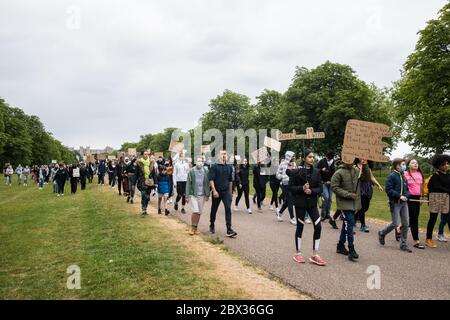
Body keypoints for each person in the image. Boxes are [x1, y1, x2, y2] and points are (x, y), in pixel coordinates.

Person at [289, 149, 326, 266]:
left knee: (318, 226)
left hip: (312, 204)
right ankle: (298, 253)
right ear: (304, 158)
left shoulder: (316, 172)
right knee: (300, 227)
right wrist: (302, 188)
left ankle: (315, 254)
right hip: (300, 204)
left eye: (313, 157)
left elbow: (320, 188)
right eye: (310, 157)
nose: (312, 159)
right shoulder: (296, 172)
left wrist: (311, 191)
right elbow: (290, 188)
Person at [331, 157, 370, 261]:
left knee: (346, 224)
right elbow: (334, 187)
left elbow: (366, 178)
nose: (350, 160)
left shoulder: (357, 170)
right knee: (350, 223)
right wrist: (348, 195)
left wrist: (365, 165)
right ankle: (351, 249)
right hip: (344, 204)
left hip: (355, 204)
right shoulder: (339, 172)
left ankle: (340, 246)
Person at [378, 159, 412, 253]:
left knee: (406, 223)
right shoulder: (391, 176)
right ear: (397, 166)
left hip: (404, 203)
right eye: (403, 164)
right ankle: (382, 233)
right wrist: (399, 196)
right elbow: (388, 190)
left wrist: (407, 196)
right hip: (395, 203)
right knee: (396, 223)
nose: (405, 166)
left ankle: (403, 244)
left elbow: (407, 190)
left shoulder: (404, 177)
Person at [209, 150, 237, 238]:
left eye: (225, 153)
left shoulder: (229, 167)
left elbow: (230, 181)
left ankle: (229, 229)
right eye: (222, 154)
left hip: (226, 192)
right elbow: (211, 179)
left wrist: (230, 192)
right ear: (219, 156)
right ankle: (212, 224)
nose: (224, 155)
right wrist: (214, 191)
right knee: (214, 209)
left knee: (228, 209)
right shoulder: (214, 166)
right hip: (217, 191)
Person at [425, 154, 450, 247]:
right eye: (444, 164)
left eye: (447, 163)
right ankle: (428, 239)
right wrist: (447, 191)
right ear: (439, 165)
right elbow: (434, 187)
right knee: (433, 219)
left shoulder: (448, 175)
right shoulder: (435, 176)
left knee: (449, 219)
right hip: (435, 199)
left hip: (447, 200)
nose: (446, 165)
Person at [355, 160, 383, 233]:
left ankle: (354, 218)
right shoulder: (355, 167)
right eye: (362, 158)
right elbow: (357, 177)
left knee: (366, 207)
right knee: (362, 207)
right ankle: (363, 225)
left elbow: (372, 177)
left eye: (365, 158)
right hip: (359, 189)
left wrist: (378, 185)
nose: (364, 159)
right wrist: (361, 169)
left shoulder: (368, 168)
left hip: (368, 188)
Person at [404, 159, 425, 249]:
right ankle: (416, 241)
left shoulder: (419, 174)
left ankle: (399, 228)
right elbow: (403, 187)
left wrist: (421, 198)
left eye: (416, 162)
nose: (415, 164)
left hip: (417, 198)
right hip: (409, 198)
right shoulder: (405, 174)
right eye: (413, 163)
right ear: (408, 165)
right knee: (414, 219)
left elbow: (420, 187)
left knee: (413, 218)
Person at [186, 157, 211, 235]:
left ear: (203, 162)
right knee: (195, 211)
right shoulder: (191, 171)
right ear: (195, 162)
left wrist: (208, 194)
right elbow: (188, 184)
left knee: (199, 212)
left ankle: (195, 228)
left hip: (202, 195)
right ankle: (192, 227)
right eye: (198, 161)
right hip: (194, 194)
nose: (200, 162)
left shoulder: (206, 170)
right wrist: (187, 196)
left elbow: (208, 183)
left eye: (201, 161)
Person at [276, 151, 297, 224]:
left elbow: (296, 173)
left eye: (294, 156)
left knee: (288, 201)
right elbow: (277, 174)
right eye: (293, 156)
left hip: (293, 184)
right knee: (290, 200)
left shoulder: (294, 164)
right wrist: (282, 177)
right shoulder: (282, 164)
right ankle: (292, 218)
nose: (294, 157)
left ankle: (280, 212)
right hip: (285, 185)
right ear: (289, 156)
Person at [135, 151, 156, 217]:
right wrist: (134, 182)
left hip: (149, 182)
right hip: (142, 181)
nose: (146, 155)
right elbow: (136, 173)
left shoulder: (151, 162)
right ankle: (143, 210)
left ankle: (145, 209)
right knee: (143, 194)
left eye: (147, 154)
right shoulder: (139, 163)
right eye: (145, 154)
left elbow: (154, 174)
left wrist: (155, 183)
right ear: (142, 155)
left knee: (147, 197)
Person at [317, 152, 336, 221]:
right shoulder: (321, 161)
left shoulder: (334, 163)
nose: (327, 159)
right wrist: (321, 170)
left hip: (331, 183)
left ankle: (327, 214)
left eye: (329, 158)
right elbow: (316, 170)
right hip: (323, 183)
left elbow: (335, 174)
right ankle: (323, 215)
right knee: (326, 197)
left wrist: (331, 181)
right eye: (327, 158)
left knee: (330, 199)